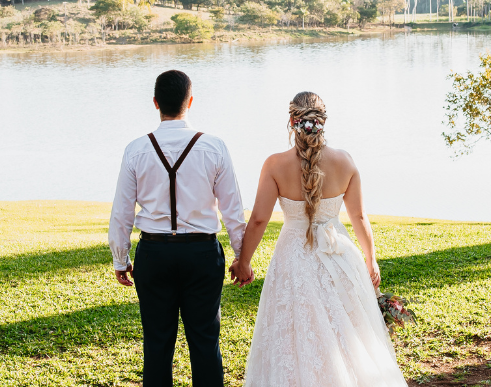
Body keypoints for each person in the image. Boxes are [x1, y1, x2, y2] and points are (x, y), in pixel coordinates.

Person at [230, 91, 408, 386]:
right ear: (322, 122)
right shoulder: (345, 161)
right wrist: (370, 258)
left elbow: (259, 219)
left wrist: (244, 261)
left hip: (292, 258)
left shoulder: (274, 165)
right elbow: (359, 217)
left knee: (296, 335)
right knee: (348, 334)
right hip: (339, 256)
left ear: (291, 121)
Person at [109, 70, 248, 387]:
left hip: (154, 254)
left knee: (157, 344)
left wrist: (121, 259)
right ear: (191, 101)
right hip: (201, 253)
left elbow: (121, 213)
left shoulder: (136, 149)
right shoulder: (214, 147)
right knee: (205, 340)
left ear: (155, 103)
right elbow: (232, 210)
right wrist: (241, 257)